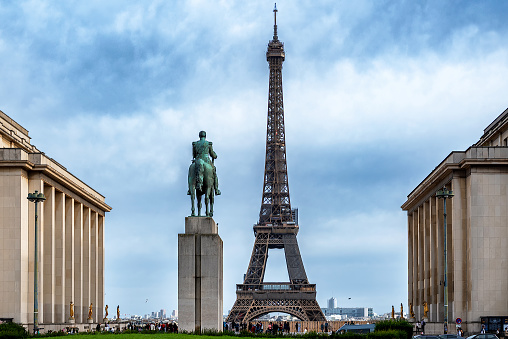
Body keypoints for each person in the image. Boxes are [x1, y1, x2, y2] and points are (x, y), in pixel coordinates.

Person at [189, 131, 220, 195]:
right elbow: (212, 155)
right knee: (214, 174)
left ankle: (190, 189)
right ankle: (216, 189)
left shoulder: (195, 144)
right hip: (206, 160)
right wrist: (215, 155)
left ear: (199, 136)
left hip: (197, 160)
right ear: (205, 136)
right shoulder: (208, 144)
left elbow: (194, 155)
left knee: (190, 174)